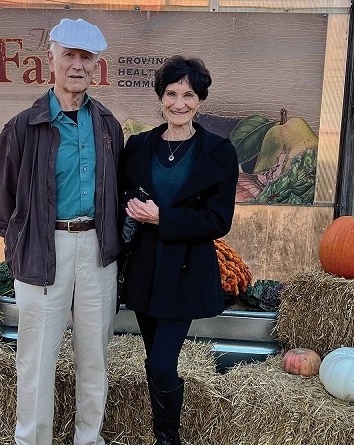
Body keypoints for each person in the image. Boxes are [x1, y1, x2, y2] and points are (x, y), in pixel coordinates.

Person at [0, 18, 123, 445]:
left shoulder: (106, 125)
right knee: (36, 359)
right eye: (70, 55)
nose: (78, 65)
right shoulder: (22, 127)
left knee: (94, 357)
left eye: (87, 58)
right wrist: (19, 248)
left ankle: (89, 437)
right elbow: (2, 202)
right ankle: (32, 440)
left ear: (96, 65)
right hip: (44, 252)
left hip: (97, 249)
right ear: (52, 58)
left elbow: (117, 191)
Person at [118, 56, 239, 445]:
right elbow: (121, 195)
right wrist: (129, 209)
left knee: (160, 361)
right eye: (171, 94)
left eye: (188, 95)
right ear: (160, 98)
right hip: (145, 269)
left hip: (185, 272)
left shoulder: (218, 152)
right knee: (153, 360)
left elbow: (218, 220)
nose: (179, 103)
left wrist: (162, 218)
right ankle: (163, 433)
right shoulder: (138, 147)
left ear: (200, 100)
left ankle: (168, 438)